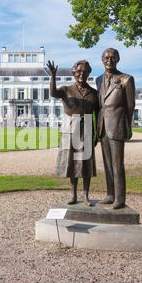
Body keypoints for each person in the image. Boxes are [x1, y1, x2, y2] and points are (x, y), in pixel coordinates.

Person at [47, 59, 99, 206]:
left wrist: (96, 134)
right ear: (73, 73)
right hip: (70, 128)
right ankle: (74, 195)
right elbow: (53, 93)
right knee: (72, 163)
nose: (81, 74)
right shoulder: (66, 90)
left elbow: (97, 115)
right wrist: (52, 76)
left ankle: (86, 196)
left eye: (85, 71)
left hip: (87, 127)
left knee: (86, 163)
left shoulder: (94, 93)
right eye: (78, 71)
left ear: (89, 73)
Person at [96, 48, 136, 209]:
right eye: (106, 57)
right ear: (102, 60)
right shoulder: (99, 79)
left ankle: (120, 198)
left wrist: (126, 125)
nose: (109, 60)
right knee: (107, 163)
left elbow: (130, 106)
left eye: (113, 57)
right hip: (103, 126)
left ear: (118, 59)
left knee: (117, 164)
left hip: (117, 125)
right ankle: (110, 194)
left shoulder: (126, 79)